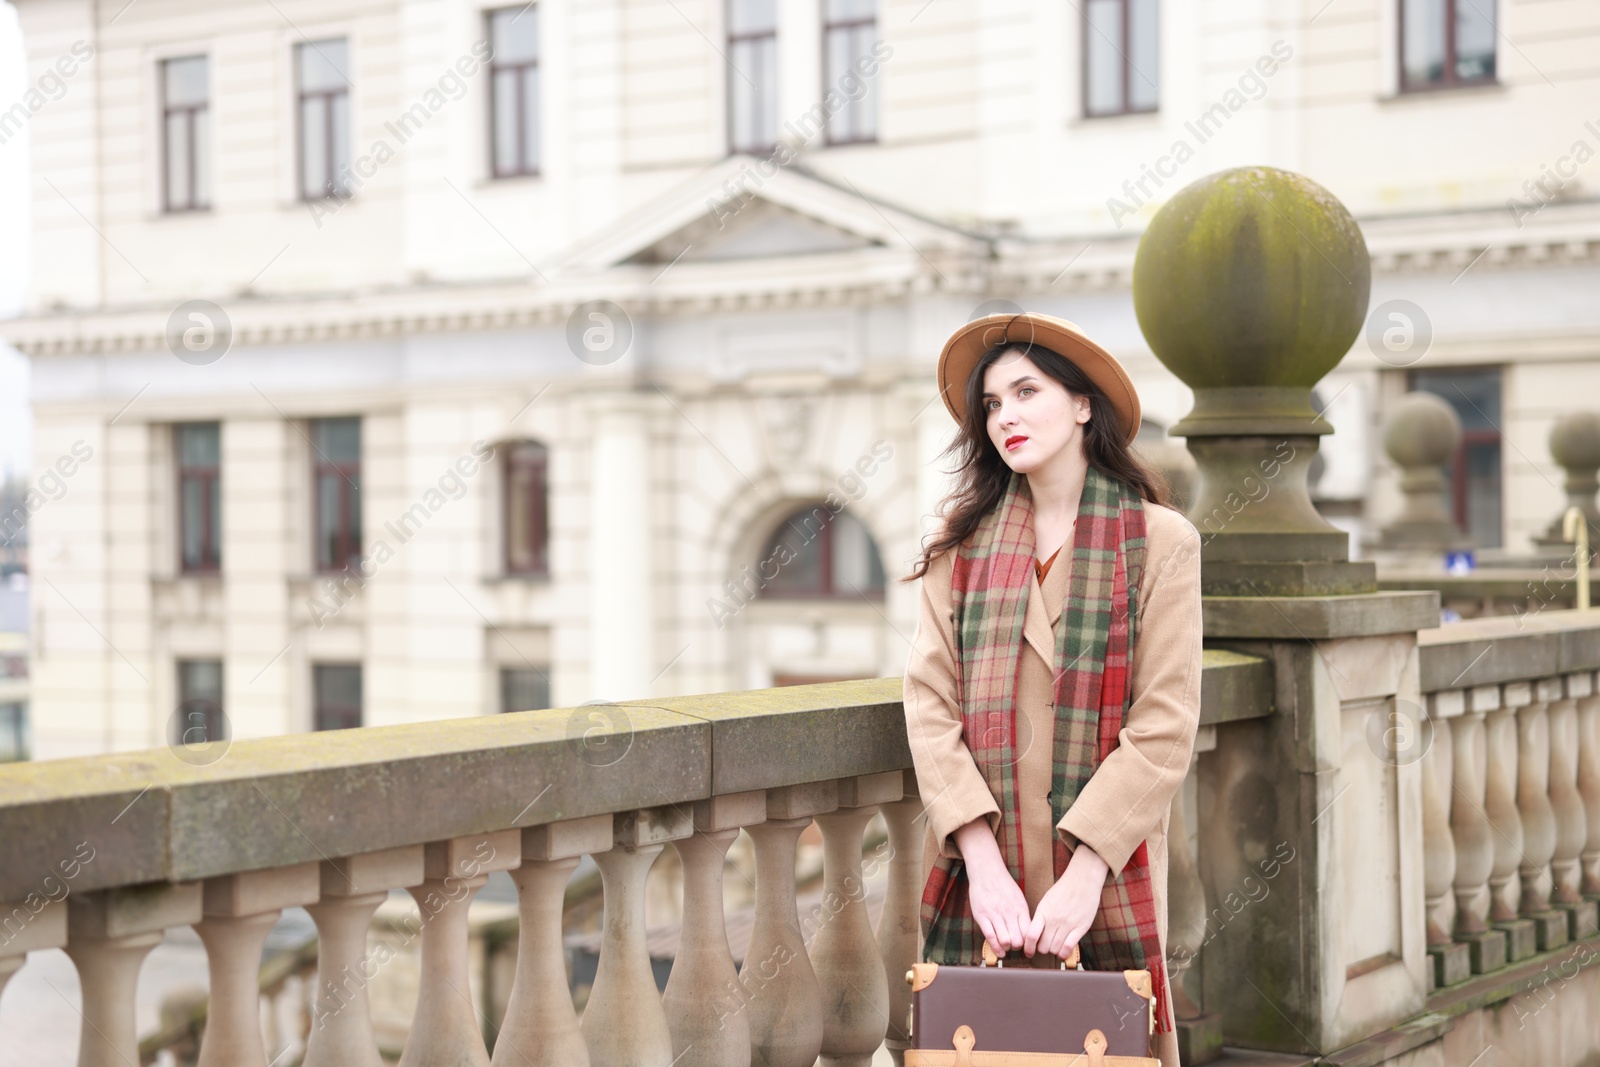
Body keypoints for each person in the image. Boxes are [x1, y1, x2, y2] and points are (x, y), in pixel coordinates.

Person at [902, 312, 1202, 1067]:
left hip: (1106, 869)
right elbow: (929, 706)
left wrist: (1085, 874)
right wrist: (983, 863)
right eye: (993, 404)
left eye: (1026, 391)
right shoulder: (961, 553)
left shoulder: (1160, 543)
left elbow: (1164, 722)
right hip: (987, 885)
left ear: (1082, 405)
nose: (1006, 416)